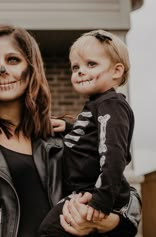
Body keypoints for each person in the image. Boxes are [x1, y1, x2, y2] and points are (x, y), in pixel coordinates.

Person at [0, 25, 141, 237]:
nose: (3, 69)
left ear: (31, 68)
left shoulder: (62, 138)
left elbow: (125, 195)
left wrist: (101, 223)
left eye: (13, 60)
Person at [39, 29, 139, 237]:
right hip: (87, 191)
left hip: (96, 193)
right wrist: (67, 128)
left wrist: (101, 201)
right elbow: (92, 137)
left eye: (91, 64)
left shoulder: (111, 105)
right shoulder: (99, 105)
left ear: (116, 71)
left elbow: (112, 154)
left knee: (50, 230)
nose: (80, 71)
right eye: (75, 67)